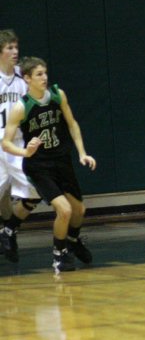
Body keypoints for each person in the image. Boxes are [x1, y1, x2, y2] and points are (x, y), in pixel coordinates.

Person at [1, 57, 96, 273]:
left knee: (79, 210)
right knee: (64, 210)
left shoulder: (57, 95)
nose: (44, 78)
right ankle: (58, 255)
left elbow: (72, 124)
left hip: (61, 161)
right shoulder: (21, 107)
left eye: (45, 73)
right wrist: (25, 151)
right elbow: (6, 143)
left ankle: (72, 240)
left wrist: (82, 153)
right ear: (27, 79)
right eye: (38, 74)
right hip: (39, 165)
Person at [0, 31, 42, 264]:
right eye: (10, 48)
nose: (15, 52)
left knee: (35, 190)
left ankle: (9, 230)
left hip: (17, 145)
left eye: (16, 47)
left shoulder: (22, 78)